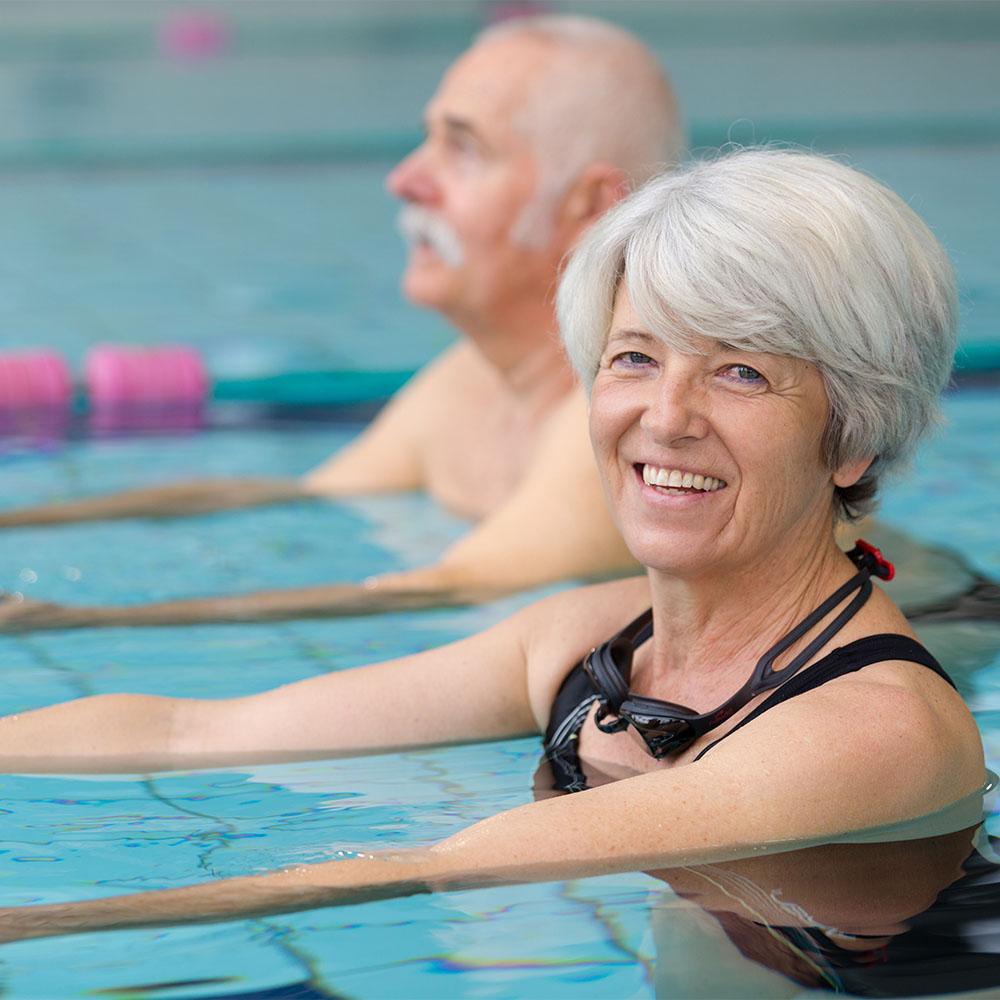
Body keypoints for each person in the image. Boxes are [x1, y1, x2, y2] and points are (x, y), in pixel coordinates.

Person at [0, 149, 987, 942]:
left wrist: (46, 923)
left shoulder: (874, 730)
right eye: (635, 357)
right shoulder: (588, 638)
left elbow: (440, 863)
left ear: (852, 437)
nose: (665, 416)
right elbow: (198, 732)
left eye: (738, 372)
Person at [0, 15, 681, 630]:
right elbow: (301, 496)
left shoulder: (615, 428)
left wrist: (61, 619)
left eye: (464, 148)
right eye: (427, 141)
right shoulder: (471, 380)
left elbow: (446, 590)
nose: (406, 179)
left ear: (591, 207)